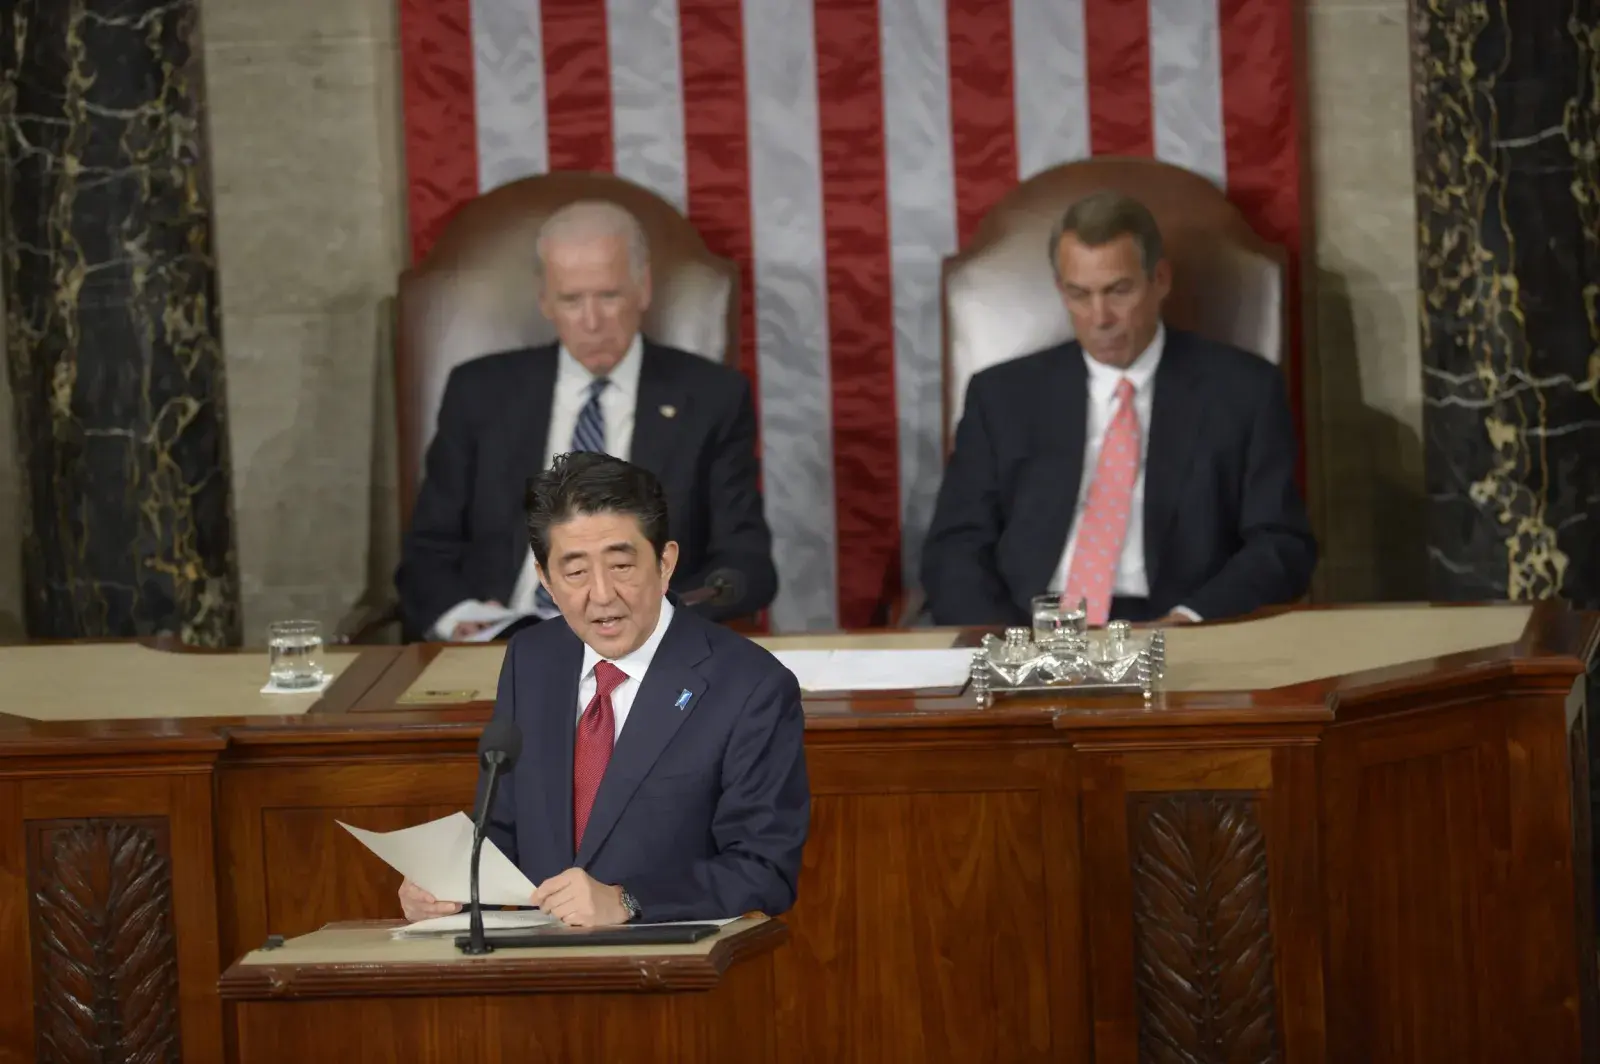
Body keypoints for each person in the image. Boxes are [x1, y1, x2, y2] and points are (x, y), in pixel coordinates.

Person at [399, 452, 809, 926]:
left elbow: (764, 869)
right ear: (546, 581)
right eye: (574, 572)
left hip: (675, 976)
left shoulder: (750, 685)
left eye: (621, 566)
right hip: (542, 969)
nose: (601, 594)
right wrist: (450, 885)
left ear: (665, 561)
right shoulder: (531, 659)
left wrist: (628, 900)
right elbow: (505, 828)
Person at [920, 189, 1316, 627]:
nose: (1099, 316)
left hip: (1174, 628)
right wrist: (1009, 647)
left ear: (1159, 280)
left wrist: (1192, 619)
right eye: (1079, 294)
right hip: (1028, 624)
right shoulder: (1001, 397)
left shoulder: (1243, 391)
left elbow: (1280, 543)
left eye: (1118, 291)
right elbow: (955, 547)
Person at [396, 199, 778, 641]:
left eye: (608, 296)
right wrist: (458, 618)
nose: (592, 321)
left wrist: (662, 616)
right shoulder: (479, 392)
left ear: (644, 289)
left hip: (648, 649)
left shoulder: (712, 397)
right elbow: (427, 551)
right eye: (572, 300)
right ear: (545, 301)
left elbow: (746, 562)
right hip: (505, 646)